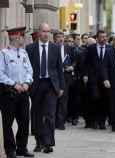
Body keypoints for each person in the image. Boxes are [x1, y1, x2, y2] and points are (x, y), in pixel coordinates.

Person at [26, 23, 65, 154]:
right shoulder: (30, 48)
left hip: (51, 85)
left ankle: (48, 143)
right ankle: (39, 142)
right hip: (36, 85)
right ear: (38, 32)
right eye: (43, 31)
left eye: (48, 31)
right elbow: (27, 68)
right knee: (36, 114)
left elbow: (59, 69)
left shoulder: (55, 48)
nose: (46, 34)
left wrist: (61, 87)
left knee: (49, 114)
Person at [0, 27, 34, 158]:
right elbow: (0, 74)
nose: (24, 39)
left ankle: (22, 147)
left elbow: (30, 71)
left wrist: (26, 82)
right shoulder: (4, 54)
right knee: (7, 124)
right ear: (15, 37)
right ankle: (10, 150)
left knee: (24, 122)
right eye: (22, 36)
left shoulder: (24, 53)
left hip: (23, 92)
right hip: (9, 93)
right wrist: (14, 84)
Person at [85, 30, 111, 129]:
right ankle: (94, 121)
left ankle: (102, 122)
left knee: (105, 100)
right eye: (102, 37)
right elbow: (86, 63)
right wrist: (86, 75)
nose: (104, 39)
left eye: (105, 37)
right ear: (97, 38)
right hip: (94, 79)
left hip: (106, 80)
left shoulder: (110, 48)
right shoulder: (91, 48)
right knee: (95, 99)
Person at [53, 31, 75, 130]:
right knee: (54, 100)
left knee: (63, 100)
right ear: (54, 39)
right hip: (55, 78)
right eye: (58, 37)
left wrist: (72, 67)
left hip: (66, 77)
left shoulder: (69, 49)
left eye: (62, 37)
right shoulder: (51, 48)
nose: (61, 39)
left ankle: (61, 122)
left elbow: (75, 61)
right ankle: (53, 122)